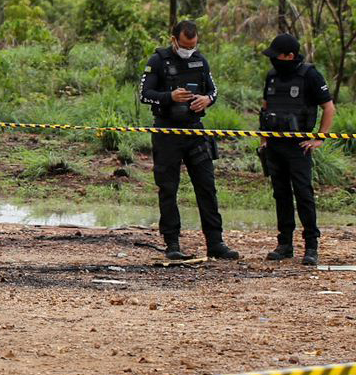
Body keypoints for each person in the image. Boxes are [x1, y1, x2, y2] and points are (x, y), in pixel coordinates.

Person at [139, 21, 239, 262]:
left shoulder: (201, 61)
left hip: (195, 132)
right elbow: (144, 95)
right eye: (184, 46)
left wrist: (207, 100)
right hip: (167, 133)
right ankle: (172, 243)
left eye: (193, 45)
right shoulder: (158, 61)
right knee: (168, 188)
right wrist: (169, 97)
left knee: (207, 187)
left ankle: (215, 243)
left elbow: (214, 91)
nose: (189, 49)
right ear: (174, 40)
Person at [257, 33, 336, 265]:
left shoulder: (310, 75)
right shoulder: (272, 76)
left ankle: (311, 246)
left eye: (277, 56)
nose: (273, 61)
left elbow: (329, 108)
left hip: (298, 147)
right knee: (280, 195)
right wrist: (263, 140)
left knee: (303, 196)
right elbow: (265, 108)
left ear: (290, 56)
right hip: (275, 146)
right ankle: (285, 244)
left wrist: (319, 139)